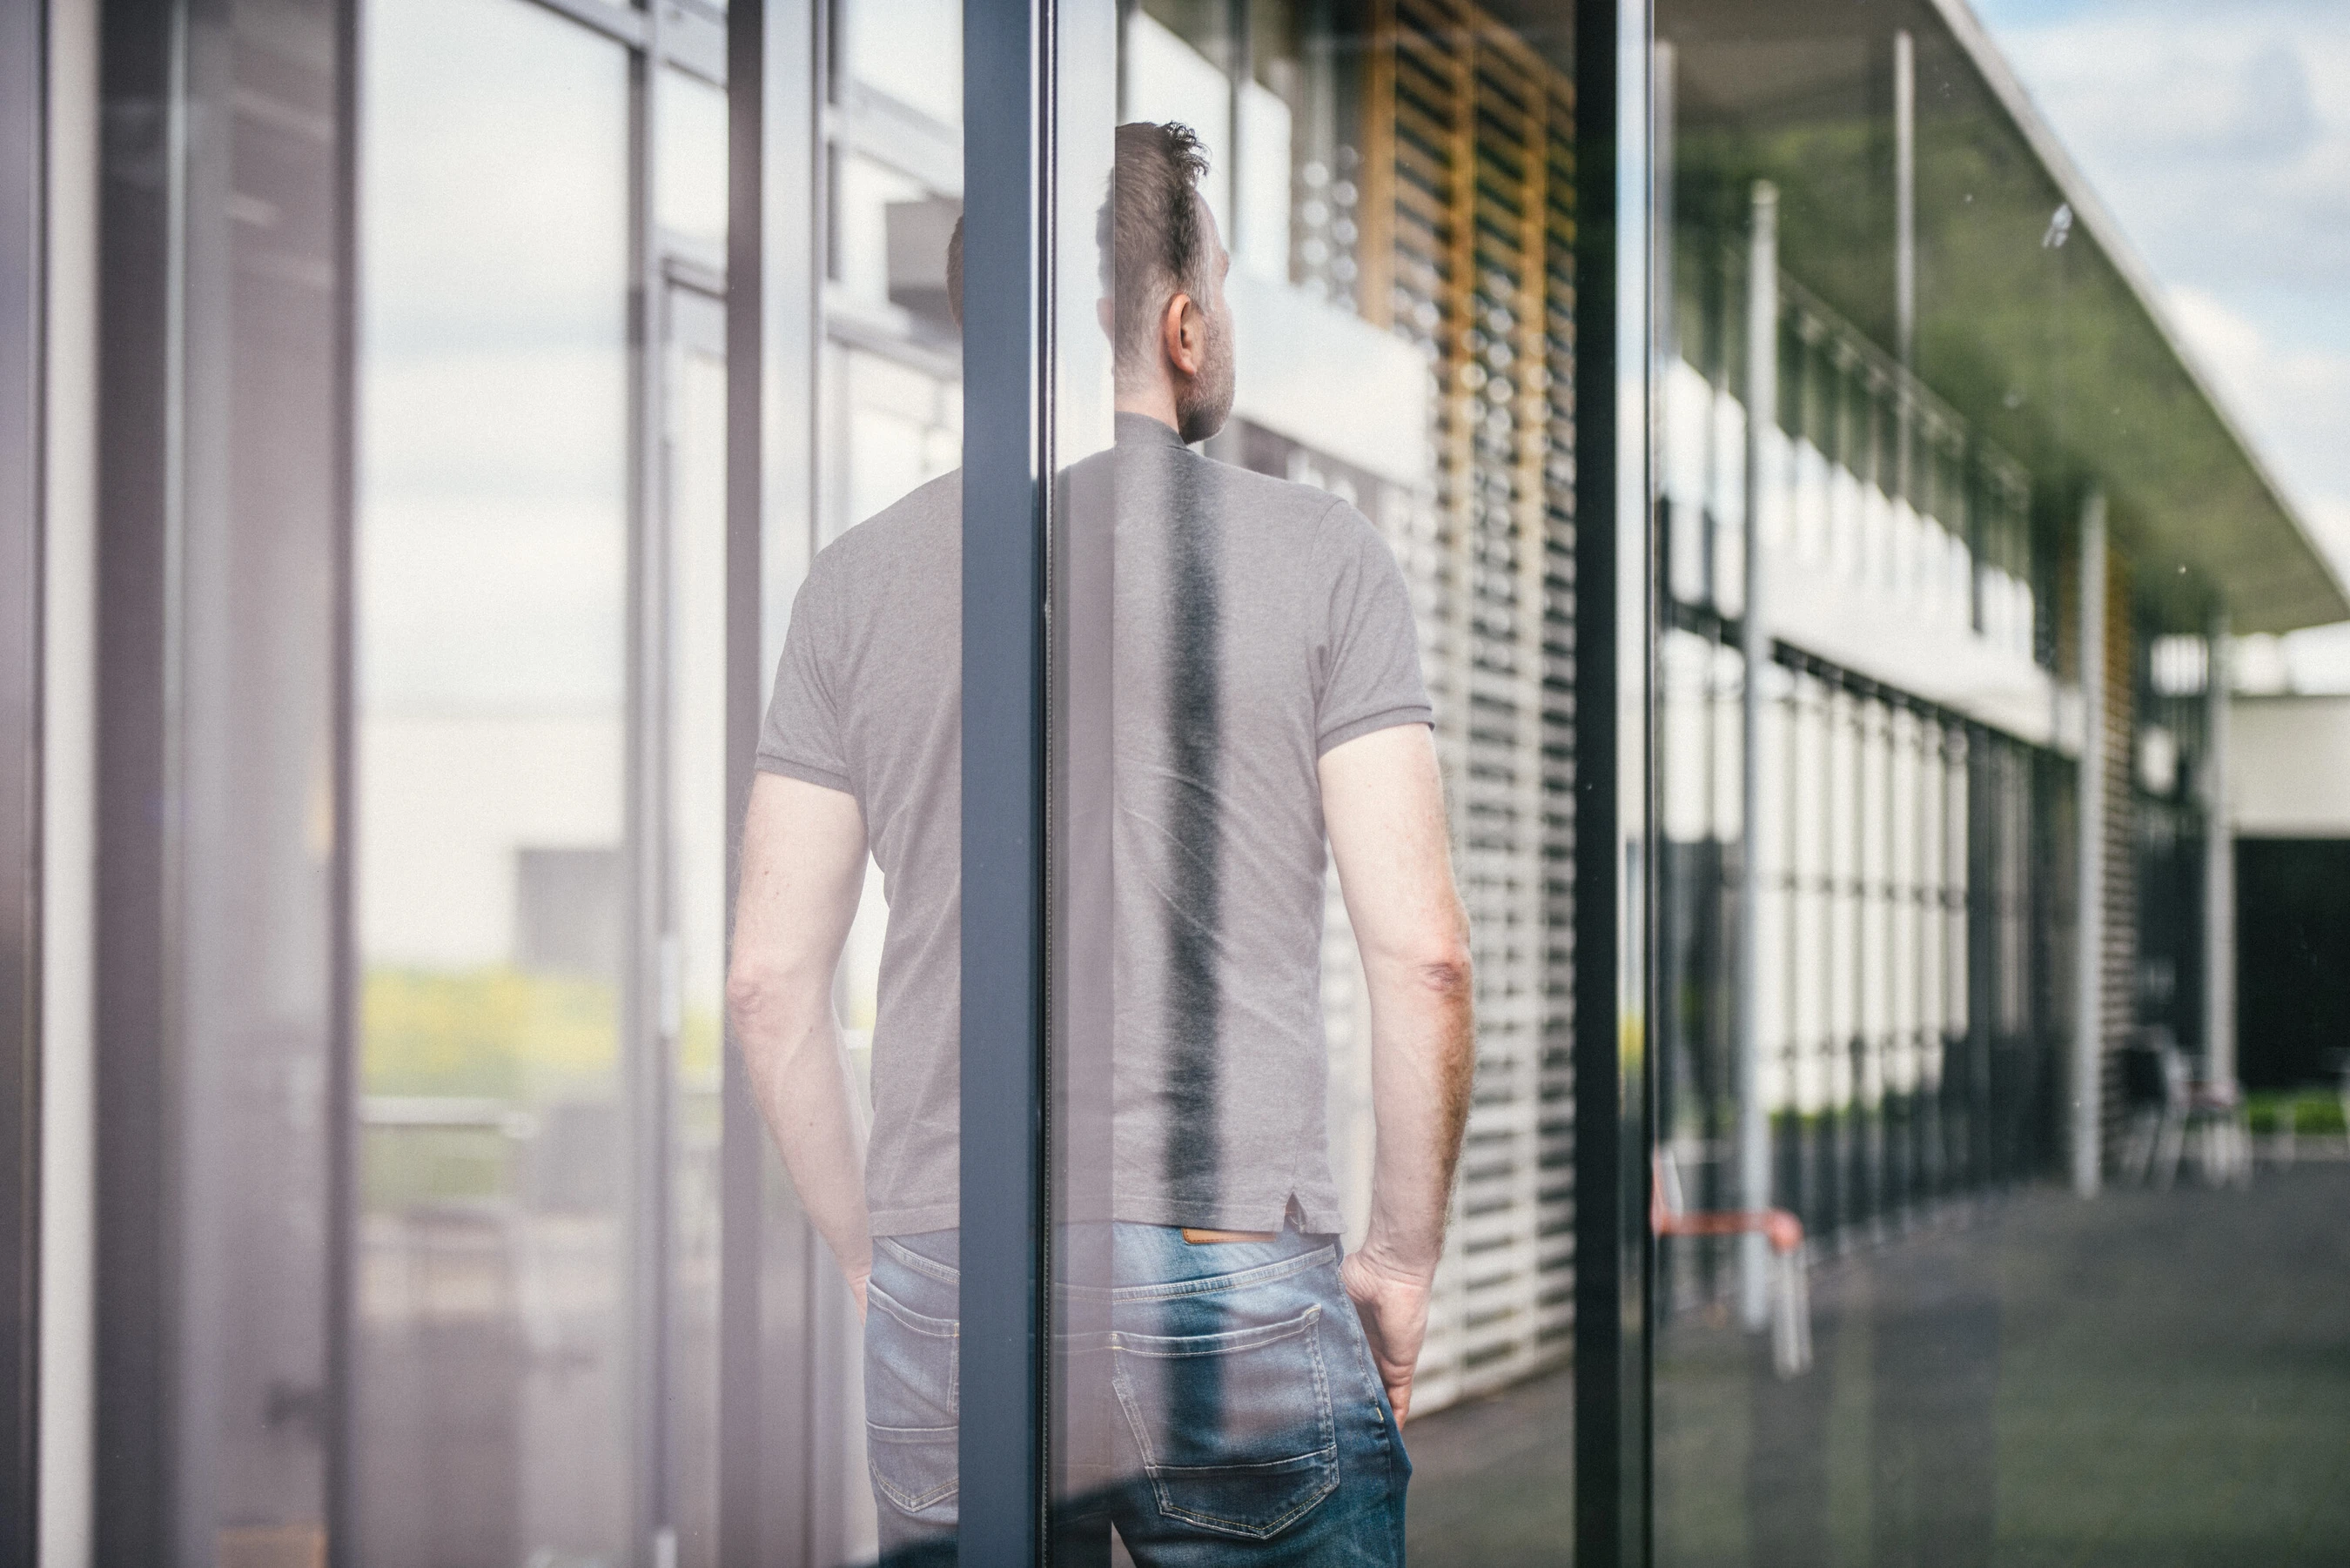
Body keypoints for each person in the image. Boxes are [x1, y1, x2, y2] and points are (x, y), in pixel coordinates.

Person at [726, 121, 1474, 1564]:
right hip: (1232, 1270)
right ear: (1185, 324)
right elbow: (1426, 957)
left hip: (958, 1273)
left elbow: (768, 983)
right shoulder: (1322, 557)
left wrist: (882, 1255)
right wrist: (1396, 1259)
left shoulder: (855, 585)